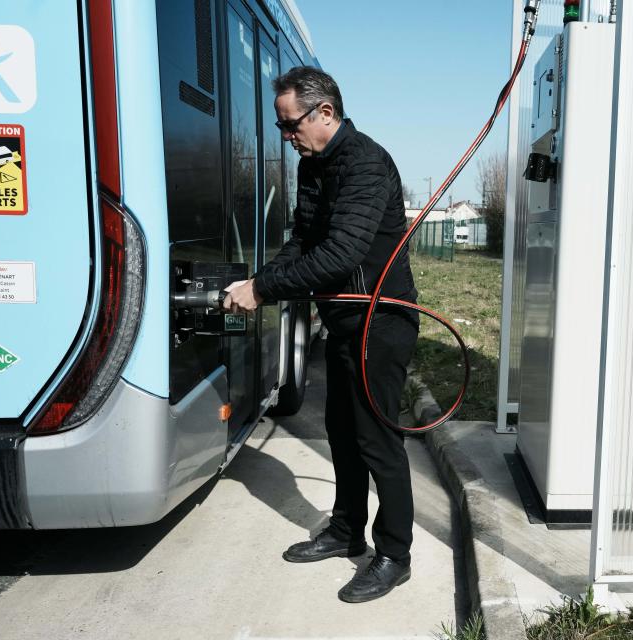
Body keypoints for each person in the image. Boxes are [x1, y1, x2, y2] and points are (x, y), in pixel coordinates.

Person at [223, 66, 419, 604]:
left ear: (325, 113)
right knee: (340, 431)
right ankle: (345, 530)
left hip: (381, 322)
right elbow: (305, 242)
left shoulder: (365, 165)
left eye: (292, 126)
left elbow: (340, 255)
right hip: (343, 322)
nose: (288, 139)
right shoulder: (315, 165)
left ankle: (394, 555)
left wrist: (263, 291)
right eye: (283, 128)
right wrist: (260, 280)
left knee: (378, 442)